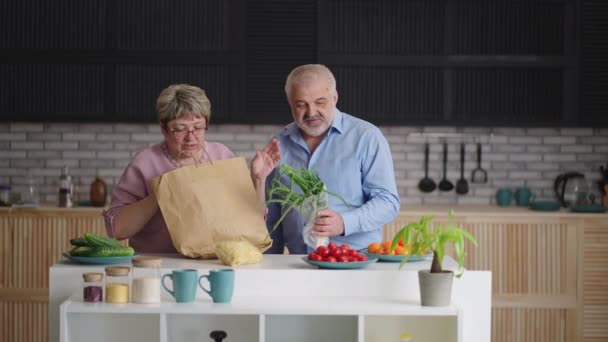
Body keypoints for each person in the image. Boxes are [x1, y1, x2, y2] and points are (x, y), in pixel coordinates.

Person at [103, 84, 279, 253]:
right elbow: (117, 230)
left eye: (198, 128)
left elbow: (252, 222)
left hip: (214, 262)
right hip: (157, 264)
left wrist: (259, 180)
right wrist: (160, 193)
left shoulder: (222, 155)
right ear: (163, 129)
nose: (191, 138)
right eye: (179, 129)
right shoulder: (145, 163)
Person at [263, 64, 400, 254]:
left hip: (354, 262)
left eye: (320, 102)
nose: (311, 113)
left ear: (334, 98)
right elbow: (272, 218)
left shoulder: (366, 138)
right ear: (290, 103)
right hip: (296, 266)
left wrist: (344, 223)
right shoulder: (278, 144)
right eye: (301, 104)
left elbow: (388, 203)